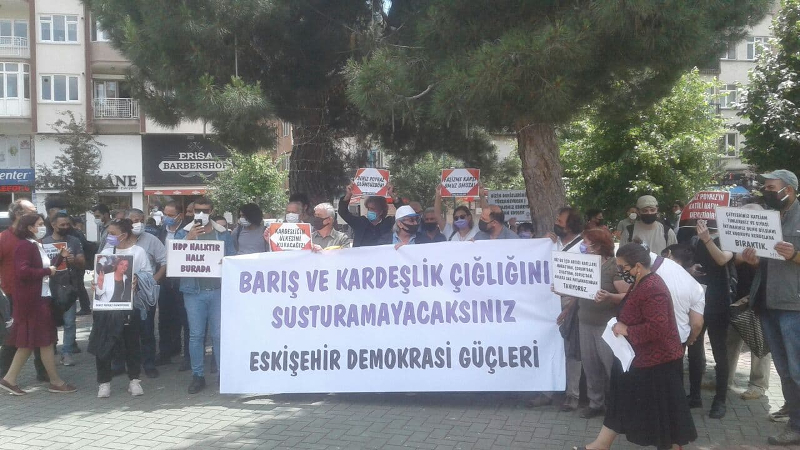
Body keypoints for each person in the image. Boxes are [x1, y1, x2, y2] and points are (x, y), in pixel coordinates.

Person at [578, 243, 696, 450]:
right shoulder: (641, 283)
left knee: (664, 417)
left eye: (623, 267)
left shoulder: (653, 288)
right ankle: (600, 445)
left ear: (638, 267)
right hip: (640, 359)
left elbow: (658, 327)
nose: (620, 271)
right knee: (622, 403)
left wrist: (627, 330)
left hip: (658, 364)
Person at [741, 170, 800, 446]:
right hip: (767, 303)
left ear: (789, 189)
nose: (766, 191)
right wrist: (755, 261)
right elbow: (767, 259)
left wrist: (795, 255)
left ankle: (796, 426)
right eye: (764, 187)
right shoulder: (769, 217)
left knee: (796, 370)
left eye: (771, 187)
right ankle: (794, 418)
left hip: (793, 306)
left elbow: (791, 257)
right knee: (785, 370)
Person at [695, 205, 773, 402]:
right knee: (730, 340)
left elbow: (768, 266)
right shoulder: (731, 236)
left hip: (759, 296)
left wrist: (754, 261)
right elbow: (728, 261)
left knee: (759, 340)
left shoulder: (768, 237)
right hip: (735, 296)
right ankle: (725, 379)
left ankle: (758, 384)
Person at [0, 214, 77, 395]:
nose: (43, 227)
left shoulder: (35, 244)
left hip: (38, 299)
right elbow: (23, 271)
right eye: (40, 224)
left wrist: (59, 259)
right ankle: (55, 382)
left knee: (29, 343)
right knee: (45, 341)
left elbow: (44, 268)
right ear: (30, 227)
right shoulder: (25, 246)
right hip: (34, 302)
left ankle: (9, 379)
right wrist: (47, 271)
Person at [174, 197, 235, 394]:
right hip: (194, 291)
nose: (201, 214)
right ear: (192, 211)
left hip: (218, 291)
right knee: (196, 335)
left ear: (212, 211)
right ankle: (198, 375)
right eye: (198, 210)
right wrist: (189, 238)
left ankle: (223, 375)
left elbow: (233, 259)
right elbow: (174, 257)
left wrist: (225, 262)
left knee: (219, 335)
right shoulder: (183, 232)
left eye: (205, 210)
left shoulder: (222, 233)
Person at [89, 219, 151, 398]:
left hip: (129, 306)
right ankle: (104, 383)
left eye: (112, 233)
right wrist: (96, 285)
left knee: (132, 343)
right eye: (108, 233)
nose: (109, 236)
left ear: (124, 235)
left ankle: (134, 380)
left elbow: (148, 275)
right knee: (104, 343)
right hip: (106, 309)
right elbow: (98, 278)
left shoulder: (138, 252)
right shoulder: (106, 253)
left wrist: (138, 280)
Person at [575, 228, 629, 419]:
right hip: (585, 323)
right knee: (590, 366)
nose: (583, 246)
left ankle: (618, 407)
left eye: (586, 242)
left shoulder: (613, 267)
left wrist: (609, 297)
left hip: (606, 327)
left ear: (598, 246)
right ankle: (595, 403)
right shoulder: (583, 264)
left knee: (610, 366)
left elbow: (627, 295)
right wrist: (561, 288)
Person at [0, 200, 47, 381]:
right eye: (32, 211)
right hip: (14, 296)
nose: (36, 214)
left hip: (38, 294)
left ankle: (44, 372)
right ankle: (4, 376)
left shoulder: (34, 237)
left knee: (42, 334)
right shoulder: (4, 238)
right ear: (19, 214)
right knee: (15, 337)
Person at [124, 209, 167, 379]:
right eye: (134, 220)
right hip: (120, 292)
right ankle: (123, 364)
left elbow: (164, 261)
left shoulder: (151, 239)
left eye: (141, 220)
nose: (138, 224)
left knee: (146, 329)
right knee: (123, 330)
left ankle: (149, 364)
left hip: (145, 292)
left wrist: (154, 281)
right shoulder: (117, 239)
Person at [42, 213, 85, 367]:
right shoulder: (43, 242)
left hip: (68, 287)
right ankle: (51, 347)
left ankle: (67, 352)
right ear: (53, 225)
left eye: (68, 224)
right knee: (50, 321)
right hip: (48, 287)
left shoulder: (74, 241)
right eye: (62, 225)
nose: (66, 227)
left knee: (69, 321)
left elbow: (82, 262)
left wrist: (75, 260)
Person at [154, 201, 190, 370]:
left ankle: (188, 356)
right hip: (164, 279)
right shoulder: (160, 232)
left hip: (182, 279)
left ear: (179, 216)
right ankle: (166, 352)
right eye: (165, 215)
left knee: (185, 318)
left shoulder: (187, 231)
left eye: (170, 215)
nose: (167, 218)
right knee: (165, 318)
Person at [339, 183, 395, 247]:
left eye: (373, 209)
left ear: (381, 211)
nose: (369, 211)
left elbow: (403, 213)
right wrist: (348, 196)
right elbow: (343, 212)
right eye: (368, 208)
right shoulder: (360, 222)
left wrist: (393, 195)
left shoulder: (388, 223)